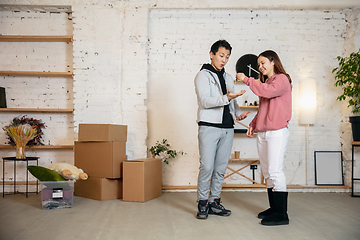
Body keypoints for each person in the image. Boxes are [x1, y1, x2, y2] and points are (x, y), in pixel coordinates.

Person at [194, 40, 250, 219]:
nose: (224, 60)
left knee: (220, 168)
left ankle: (214, 202)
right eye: (221, 55)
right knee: (207, 166)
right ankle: (202, 203)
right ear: (211, 54)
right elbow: (206, 101)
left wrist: (238, 114)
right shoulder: (203, 75)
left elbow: (232, 101)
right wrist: (227, 97)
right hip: (209, 126)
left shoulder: (227, 77)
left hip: (227, 127)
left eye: (227, 57)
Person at [236, 50, 292, 226]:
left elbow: (267, 92)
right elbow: (263, 107)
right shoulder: (267, 83)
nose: (260, 67)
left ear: (273, 61)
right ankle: (274, 209)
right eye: (258, 64)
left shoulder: (282, 79)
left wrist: (246, 79)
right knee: (267, 172)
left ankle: (282, 214)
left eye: (262, 63)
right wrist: (253, 124)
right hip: (263, 132)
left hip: (276, 131)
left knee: (275, 171)